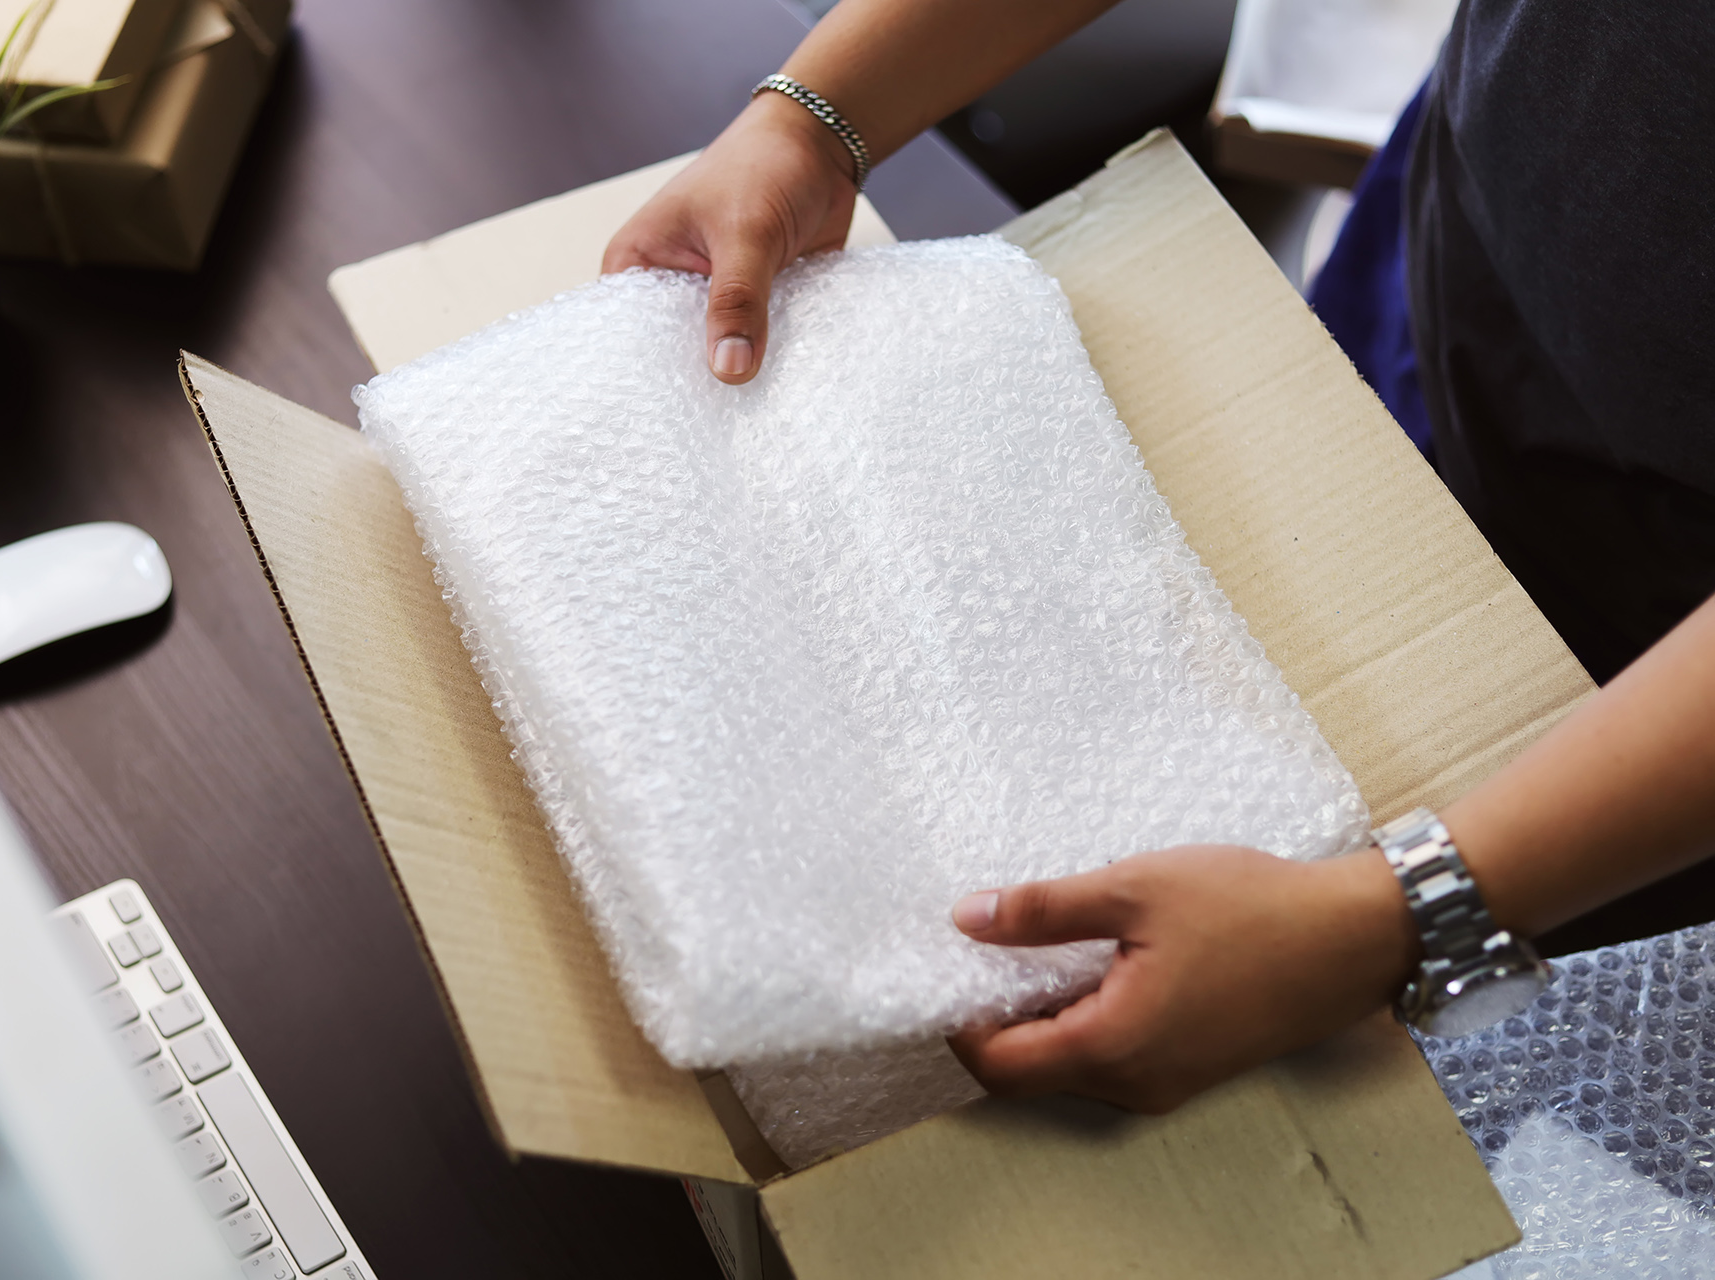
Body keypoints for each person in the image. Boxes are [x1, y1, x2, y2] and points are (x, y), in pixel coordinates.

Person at [603, 0, 1715, 1113]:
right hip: (1462, 281)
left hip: (1662, 697)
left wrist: (1398, 914)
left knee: (1523, 1087)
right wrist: (814, 119)